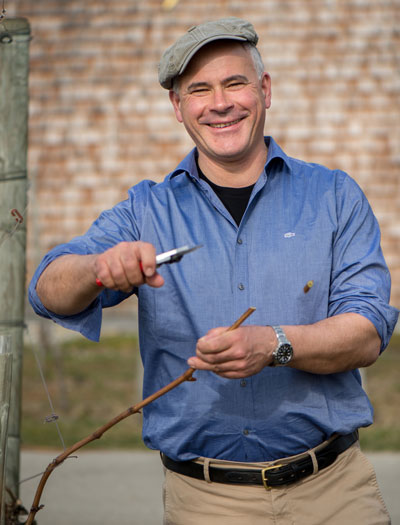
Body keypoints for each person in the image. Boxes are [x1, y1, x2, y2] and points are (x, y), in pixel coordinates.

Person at [29, 17, 398, 525]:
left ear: (265, 91)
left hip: (334, 492)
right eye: (199, 89)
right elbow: (46, 291)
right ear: (178, 108)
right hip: (206, 502)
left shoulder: (334, 197)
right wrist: (96, 267)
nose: (219, 103)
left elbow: (368, 333)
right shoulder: (146, 210)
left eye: (235, 83)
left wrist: (273, 344)